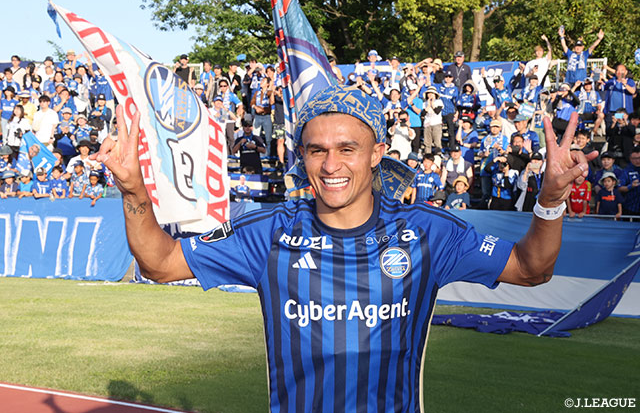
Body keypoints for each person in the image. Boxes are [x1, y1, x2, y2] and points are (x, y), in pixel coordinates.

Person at [93, 83, 595, 413]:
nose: (331, 165)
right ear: (302, 156)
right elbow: (159, 263)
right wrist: (134, 190)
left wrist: (551, 200)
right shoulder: (267, 233)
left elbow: (531, 268)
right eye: (317, 150)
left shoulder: (427, 231)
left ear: (377, 153)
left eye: (347, 149)